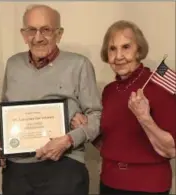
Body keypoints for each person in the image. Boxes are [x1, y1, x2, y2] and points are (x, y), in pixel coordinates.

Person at [0, 4, 102, 195]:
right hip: (17, 168)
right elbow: (6, 111)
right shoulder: (13, 64)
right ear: (23, 34)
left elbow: (97, 116)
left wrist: (68, 140)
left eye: (46, 30)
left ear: (59, 34)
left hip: (64, 163)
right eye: (31, 30)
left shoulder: (79, 64)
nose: (38, 37)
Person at [71, 20, 176, 195]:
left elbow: (170, 149)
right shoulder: (110, 91)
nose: (118, 56)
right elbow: (111, 143)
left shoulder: (158, 86)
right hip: (110, 183)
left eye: (126, 47)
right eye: (112, 49)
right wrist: (86, 130)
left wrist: (144, 118)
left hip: (148, 186)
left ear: (139, 50)